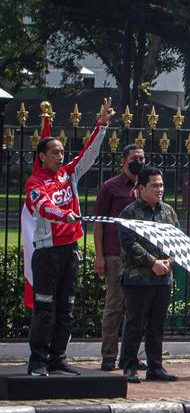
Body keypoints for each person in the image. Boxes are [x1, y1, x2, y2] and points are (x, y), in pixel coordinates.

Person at [23, 97, 113, 376]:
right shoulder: (35, 182)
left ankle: (58, 357)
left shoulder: (67, 174)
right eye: (54, 152)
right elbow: (43, 206)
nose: (60, 157)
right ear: (42, 156)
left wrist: (101, 125)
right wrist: (64, 215)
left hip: (69, 249)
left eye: (62, 152)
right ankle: (37, 360)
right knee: (45, 307)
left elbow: (88, 154)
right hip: (47, 252)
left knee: (67, 307)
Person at [118, 167, 180, 384]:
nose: (159, 189)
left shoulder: (169, 212)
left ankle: (155, 366)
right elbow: (128, 243)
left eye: (161, 185)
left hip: (163, 278)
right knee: (135, 323)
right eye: (154, 185)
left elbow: (177, 241)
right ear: (141, 187)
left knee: (157, 325)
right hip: (138, 278)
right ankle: (129, 366)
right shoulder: (130, 213)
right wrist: (152, 262)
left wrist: (168, 262)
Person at [93, 143, 147, 371]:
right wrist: (99, 255)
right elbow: (98, 222)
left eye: (143, 158)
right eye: (135, 158)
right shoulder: (111, 187)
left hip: (141, 256)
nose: (140, 162)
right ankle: (108, 355)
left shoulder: (145, 187)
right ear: (124, 161)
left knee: (138, 309)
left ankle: (132, 355)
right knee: (115, 306)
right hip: (116, 254)